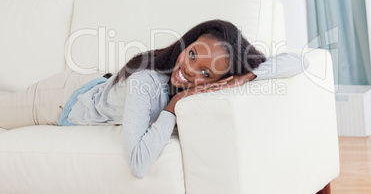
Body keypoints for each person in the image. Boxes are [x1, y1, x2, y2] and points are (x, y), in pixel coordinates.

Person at [0, 19, 309, 179]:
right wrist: (172, 108)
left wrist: (248, 75)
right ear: (186, 44)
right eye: (192, 54)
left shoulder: (216, 81)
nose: (189, 71)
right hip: (58, 98)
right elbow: (137, 163)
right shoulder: (146, 83)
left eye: (206, 73)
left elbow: (299, 61)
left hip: (92, 86)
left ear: (219, 81)